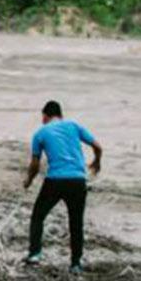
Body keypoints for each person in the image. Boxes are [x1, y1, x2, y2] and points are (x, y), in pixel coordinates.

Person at [25, 100, 103, 271]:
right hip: (77, 180)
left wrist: (29, 180)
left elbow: (35, 164)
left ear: (45, 115)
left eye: (42, 117)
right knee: (76, 223)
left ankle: (35, 254)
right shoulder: (73, 126)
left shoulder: (40, 133)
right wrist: (96, 162)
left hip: (55, 180)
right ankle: (75, 264)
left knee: (38, 216)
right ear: (61, 115)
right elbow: (97, 146)